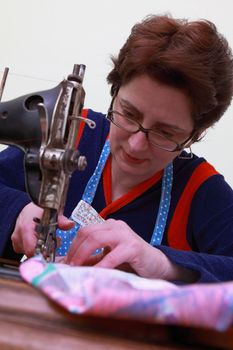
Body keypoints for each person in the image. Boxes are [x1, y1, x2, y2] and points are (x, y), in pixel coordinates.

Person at [0, 14, 233, 283]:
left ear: (194, 135)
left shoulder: (198, 190)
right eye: (129, 114)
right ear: (115, 91)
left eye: (165, 132)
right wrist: (17, 211)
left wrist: (163, 264)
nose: (136, 144)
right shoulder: (71, 135)